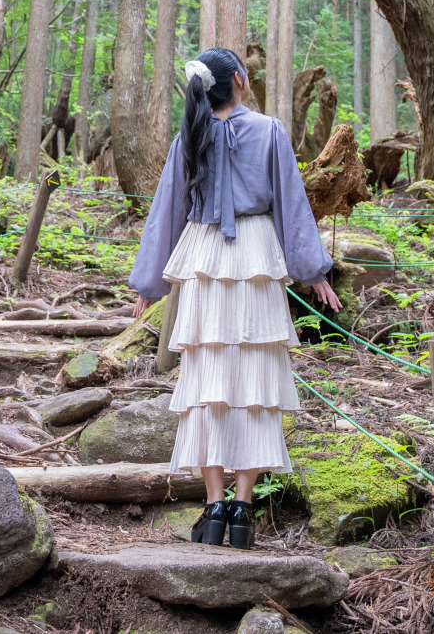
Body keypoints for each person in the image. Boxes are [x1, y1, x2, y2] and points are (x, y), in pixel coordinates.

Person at [129, 47, 340, 549]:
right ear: (241, 81)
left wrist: (149, 283)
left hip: (206, 260)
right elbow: (291, 202)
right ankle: (243, 511)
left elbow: (168, 212)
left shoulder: (190, 136)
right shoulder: (269, 131)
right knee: (255, 384)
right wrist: (313, 272)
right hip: (256, 258)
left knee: (207, 382)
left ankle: (213, 505)